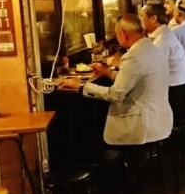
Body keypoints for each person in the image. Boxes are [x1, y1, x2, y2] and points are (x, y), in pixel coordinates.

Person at [58, 14, 172, 147]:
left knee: (87, 139)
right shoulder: (153, 49)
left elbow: (115, 94)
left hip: (139, 126)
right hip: (159, 120)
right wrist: (109, 73)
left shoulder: (133, 56)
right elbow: (138, 80)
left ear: (123, 34)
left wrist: (82, 85)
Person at [141, 2, 185, 124]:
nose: (140, 20)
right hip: (177, 89)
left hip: (174, 94)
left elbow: (150, 67)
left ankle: (152, 139)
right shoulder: (162, 35)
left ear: (153, 18)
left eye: (142, 16)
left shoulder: (163, 39)